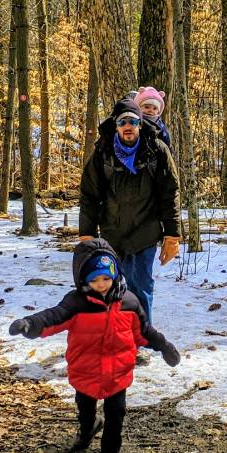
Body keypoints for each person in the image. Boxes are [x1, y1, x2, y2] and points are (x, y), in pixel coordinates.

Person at [9, 239, 180, 453]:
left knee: (116, 415)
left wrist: (164, 346)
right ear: (83, 279)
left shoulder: (129, 302)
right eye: (94, 280)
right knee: (85, 409)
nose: (101, 285)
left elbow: (144, 332)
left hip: (118, 373)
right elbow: (53, 317)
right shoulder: (76, 303)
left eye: (106, 278)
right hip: (86, 371)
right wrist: (30, 324)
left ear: (115, 275)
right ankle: (87, 429)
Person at [78, 98, 180, 329]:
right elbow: (89, 194)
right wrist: (87, 234)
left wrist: (172, 235)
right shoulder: (103, 152)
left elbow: (170, 193)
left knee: (141, 287)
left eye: (133, 121)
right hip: (112, 234)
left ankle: (140, 339)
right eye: (123, 121)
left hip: (146, 231)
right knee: (112, 287)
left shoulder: (156, 150)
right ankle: (116, 338)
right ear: (116, 124)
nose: (128, 126)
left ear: (140, 124)